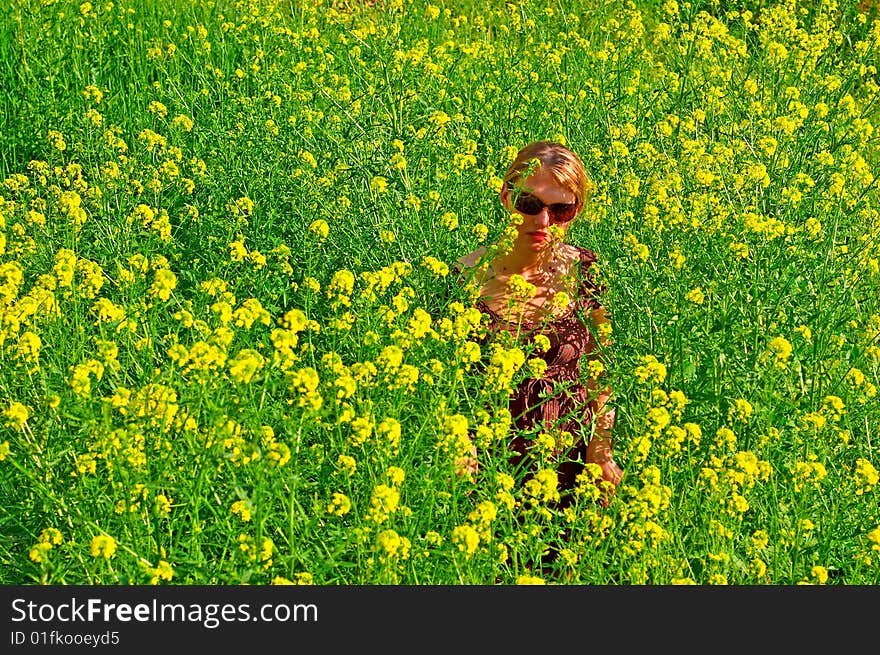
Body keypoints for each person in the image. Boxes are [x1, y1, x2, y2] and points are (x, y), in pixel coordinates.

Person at [454, 141, 623, 502]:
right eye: (529, 204)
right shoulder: (464, 280)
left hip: (571, 462)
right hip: (488, 468)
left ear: (575, 211)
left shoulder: (586, 271)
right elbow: (447, 382)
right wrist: (458, 446)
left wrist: (601, 451)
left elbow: (600, 369)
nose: (543, 220)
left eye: (561, 209)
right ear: (505, 197)